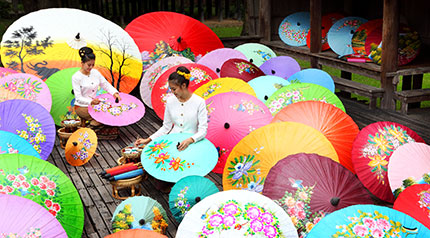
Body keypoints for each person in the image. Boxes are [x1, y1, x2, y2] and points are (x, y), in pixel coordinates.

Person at [134, 66, 208, 151]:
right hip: (173, 141)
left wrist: (190, 140)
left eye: (174, 89)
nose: (172, 92)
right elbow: (166, 127)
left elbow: (203, 130)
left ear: (183, 85)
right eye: (170, 89)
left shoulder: (199, 102)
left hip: (192, 143)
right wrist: (148, 140)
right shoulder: (170, 101)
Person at [72, 46, 121, 129]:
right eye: (88, 65)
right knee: (103, 116)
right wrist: (91, 102)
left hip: (96, 104)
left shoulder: (95, 73)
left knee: (112, 110)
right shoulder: (76, 77)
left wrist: (114, 93)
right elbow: (78, 98)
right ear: (82, 63)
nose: (91, 67)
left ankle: (95, 125)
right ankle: (93, 126)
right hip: (82, 106)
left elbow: (105, 84)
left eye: (93, 65)